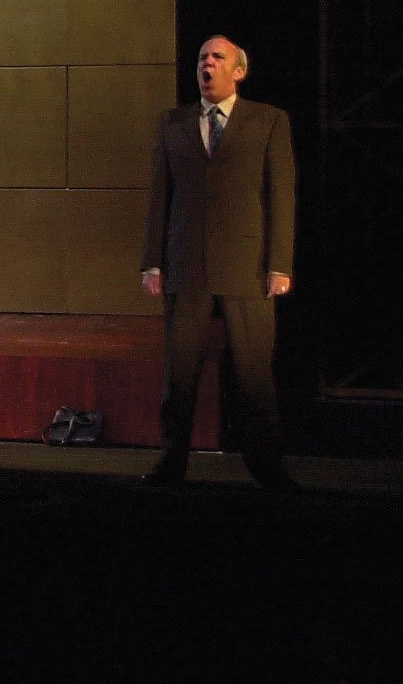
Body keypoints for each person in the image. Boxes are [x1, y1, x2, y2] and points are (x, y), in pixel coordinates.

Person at [140, 35, 298, 491]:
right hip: (185, 263)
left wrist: (280, 263)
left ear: (239, 71)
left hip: (247, 267)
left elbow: (281, 195)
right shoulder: (174, 123)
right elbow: (159, 197)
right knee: (181, 372)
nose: (207, 64)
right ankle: (172, 463)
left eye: (217, 58)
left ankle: (267, 466)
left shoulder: (269, 122)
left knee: (253, 373)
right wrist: (152, 262)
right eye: (202, 58)